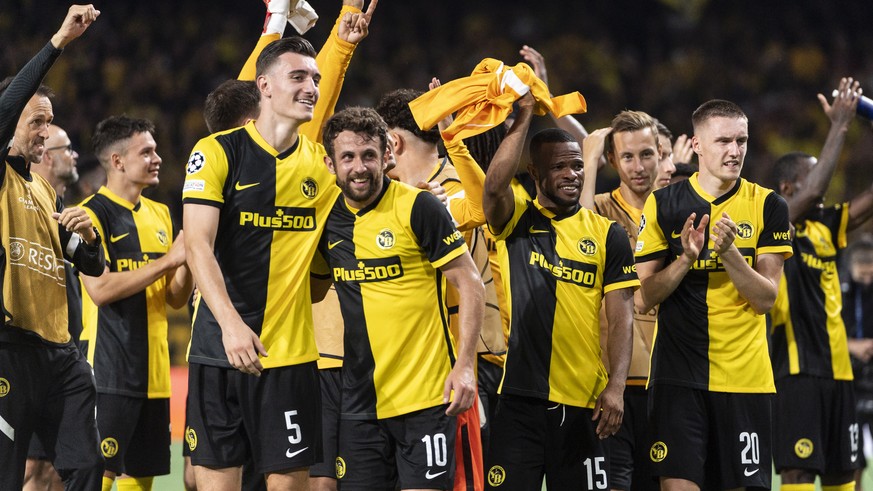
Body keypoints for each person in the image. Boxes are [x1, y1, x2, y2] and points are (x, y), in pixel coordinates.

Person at [182, 35, 344, 490]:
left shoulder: (321, 167)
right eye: (298, 77)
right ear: (264, 87)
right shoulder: (215, 151)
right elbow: (197, 245)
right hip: (218, 349)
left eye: (315, 78)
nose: (311, 86)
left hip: (290, 358)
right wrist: (232, 324)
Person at [315, 105, 483, 490]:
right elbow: (309, 288)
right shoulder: (328, 222)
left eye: (369, 155)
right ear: (329, 163)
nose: (359, 167)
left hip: (425, 398)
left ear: (387, 154)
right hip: (359, 404)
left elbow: (470, 283)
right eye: (348, 157)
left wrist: (465, 365)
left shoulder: (419, 206)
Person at [635, 99, 793, 490]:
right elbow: (643, 297)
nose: (735, 151)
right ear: (697, 144)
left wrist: (730, 254)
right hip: (678, 379)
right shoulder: (664, 204)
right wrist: (685, 260)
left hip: (745, 380)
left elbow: (765, 299)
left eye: (741, 140)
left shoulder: (769, 205)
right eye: (723, 141)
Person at [482, 92, 637, 490]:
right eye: (560, 167)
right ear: (534, 174)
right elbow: (494, 186)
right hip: (519, 400)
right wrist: (525, 117)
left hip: (585, 403)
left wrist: (616, 388)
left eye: (578, 166)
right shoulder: (516, 218)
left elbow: (622, 317)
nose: (573, 175)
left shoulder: (607, 234)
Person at [0, 5, 105, 490]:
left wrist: (89, 237)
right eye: (37, 120)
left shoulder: (44, 191)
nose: (46, 131)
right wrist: (60, 40)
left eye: (51, 122)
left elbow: (89, 263)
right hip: (10, 349)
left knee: (85, 466)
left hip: (60, 354)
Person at [376, 84, 500, 491]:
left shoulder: (453, 184)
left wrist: (453, 136)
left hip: (463, 362)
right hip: (405, 364)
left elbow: (483, 208)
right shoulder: (386, 195)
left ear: (391, 140)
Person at [76, 115, 194, 491]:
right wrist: (168, 261)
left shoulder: (160, 213)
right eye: (147, 151)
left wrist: (188, 257)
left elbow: (175, 297)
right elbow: (101, 289)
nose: (157, 157)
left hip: (155, 374)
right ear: (117, 161)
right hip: (109, 372)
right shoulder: (91, 215)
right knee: (99, 475)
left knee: (141, 478)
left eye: (156, 150)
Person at [769, 79, 872, 491]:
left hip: (840, 373)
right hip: (797, 373)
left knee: (844, 472)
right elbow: (815, 190)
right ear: (788, 189)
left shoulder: (829, 225)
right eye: (815, 180)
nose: (825, 190)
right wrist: (840, 127)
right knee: (798, 472)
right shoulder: (775, 222)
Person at [580, 110, 663, 491]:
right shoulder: (596, 209)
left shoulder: (678, 211)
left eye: (646, 154)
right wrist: (588, 159)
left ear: (660, 154)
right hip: (610, 380)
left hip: (667, 382)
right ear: (612, 160)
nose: (638, 166)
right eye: (627, 156)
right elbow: (574, 241)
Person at [24, 123, 84, 491]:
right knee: (34, 469)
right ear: (46, 156)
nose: (74, 154)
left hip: (67, 356)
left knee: (59, 469)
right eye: (67, 148)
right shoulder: (22, 207)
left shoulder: (69, 214)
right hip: (30, 358)